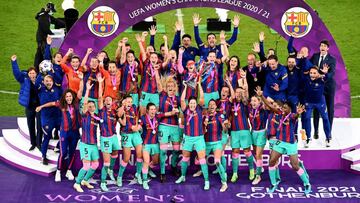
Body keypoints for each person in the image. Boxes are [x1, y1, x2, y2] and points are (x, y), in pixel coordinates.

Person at [255, 86, 311, 194]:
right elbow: (268, 105)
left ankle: (307, 183)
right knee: (271, 162)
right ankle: (273, 183)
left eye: (285, 108)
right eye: (283, 107)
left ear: (290, 108)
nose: (283, 109)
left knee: (294, 166)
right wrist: (261, 95)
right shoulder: (280, 113)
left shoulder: (292, 116)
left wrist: (299, 113)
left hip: (290, 144)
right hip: (279, 142)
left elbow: (296, 116)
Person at [38, 75, 83, 182]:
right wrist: (41, 106)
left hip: (75, 133)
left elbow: (81, 92)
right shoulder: (61, 105)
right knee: (63, 153)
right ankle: (58, 171)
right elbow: (51, 103)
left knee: (71, 153)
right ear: (64, 98)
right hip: (64, 133)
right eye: (67, 96)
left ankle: (69, 170)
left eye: (70, 96)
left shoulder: (76, 104)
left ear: (72, 97)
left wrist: (81, 80)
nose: (68, 98)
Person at [175, 78, 210, 190]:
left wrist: (199, 85)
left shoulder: (200, 109)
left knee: (202, 159)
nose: (192, 104)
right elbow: (181, 100)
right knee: (185, 158)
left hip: (199, 138)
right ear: (188, 104)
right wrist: (185, 87)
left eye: (194, 103)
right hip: (188, 138)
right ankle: (183, 176)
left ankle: (206, 181)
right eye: (191, 103)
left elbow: (202, 97)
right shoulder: (185, 111)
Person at [73, 81, 100, 193]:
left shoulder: (97, 117)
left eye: (92, 106)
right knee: (86, 165)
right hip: (85, 143)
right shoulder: (85, 115)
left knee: (95, 164)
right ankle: (77, 183)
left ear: (95, 107)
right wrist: (87, 90)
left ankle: (85, 180)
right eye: (89, 106)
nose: (90, 107)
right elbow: (84, 104)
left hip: (93, 144)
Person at [11, 55, 42, 151]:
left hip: (39, 107)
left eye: (34, 73)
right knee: (31, 125)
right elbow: (17, 74)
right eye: (30, 73)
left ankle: (39, 143)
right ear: (28, 74)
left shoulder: (40, 80)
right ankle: (33, 143)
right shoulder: (24, 81)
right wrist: (14, 62)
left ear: (36, 74)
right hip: (29, 107)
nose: (32, 75)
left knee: (39, 125)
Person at [97, 75, 121, 191]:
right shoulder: (102, 111)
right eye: (106, 100)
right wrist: (101, 83)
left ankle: (111, 170)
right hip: (105, 138)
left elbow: (121, 119)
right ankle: (103, 182)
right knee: (106, 162)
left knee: (115, 152)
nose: (107, 101)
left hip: (114, 137)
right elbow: (99, 98)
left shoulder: (114, 112)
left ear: (112, 103)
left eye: (109, 100)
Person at [156, 76, 182, 182]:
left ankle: (174, 166)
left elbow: (183, 111)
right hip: (164, 126)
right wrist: (169, 113)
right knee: (163, 151)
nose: (170, 87)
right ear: (165, 88)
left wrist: (180, 114)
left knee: (176, 150)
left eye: (172, 86)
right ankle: (162, 172)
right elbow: (158, 115)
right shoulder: (162, 96)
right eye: (168, 86)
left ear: (175, 88)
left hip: (175, 127)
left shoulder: (178, 99)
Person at [310, 40, 336, 140]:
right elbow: (309, 66)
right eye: (321, 45)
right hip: (317, 87)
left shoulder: (332, 59)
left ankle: (328, 133)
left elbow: (332, 73)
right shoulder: (315, 56)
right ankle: (315, 131)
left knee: (330, 109)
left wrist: (324, 75)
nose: (322, 47)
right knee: (316, 108)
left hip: (328, 86)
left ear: (328, 48)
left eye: (324, 46)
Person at [138, 103, 167, 189]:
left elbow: (167, 114)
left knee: (155, 161)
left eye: (154, 109)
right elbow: (139, 126)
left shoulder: (157, 117)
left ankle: (148, 169)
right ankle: (144, 180)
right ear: (147, 110)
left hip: (155, 144)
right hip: (146, 144)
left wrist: (174, 111)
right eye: (151, 109)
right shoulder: (143, 118)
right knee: (146, 161)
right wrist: (138, 128)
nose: (153, 111)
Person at [230, 86, 255, 183]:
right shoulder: (231, 104)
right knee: (235, 151)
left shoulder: (245, 104)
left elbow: (245, 99)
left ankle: (252, 170)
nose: (239, 94)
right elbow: (229, 115)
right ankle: (235, 173)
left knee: (247, 151)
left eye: (240, 92)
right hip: (234, 131)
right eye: (237, 92)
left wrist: (244, 91)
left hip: (244, 130)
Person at [117, 95, 143, 187]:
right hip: (126, 133)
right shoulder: (120, 109)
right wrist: (132, 127)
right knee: (126, 158)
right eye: (128, 101)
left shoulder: (134, 107)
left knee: (140, 155)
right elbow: (120, 119)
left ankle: (138, 174)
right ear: (124, 102)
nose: (130, 103)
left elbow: (138, 118)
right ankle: (119, 176)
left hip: (135, 133)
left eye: (131, 101)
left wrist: (139, 125)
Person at [35, 74, 61, 165]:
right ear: (43, 82)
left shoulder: (57, 89)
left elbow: (55, 103)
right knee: (47, 137)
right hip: (46, 119)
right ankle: (43, 156)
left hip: (58, 117)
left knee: (63, 135)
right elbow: (36, 84)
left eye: (50, 80)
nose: (48, 82)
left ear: (53, 82)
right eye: (46, 81)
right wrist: (41, 74)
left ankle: (58, 147)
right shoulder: (40, 89)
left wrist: (53, 73)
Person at [303, 66, 332, 147]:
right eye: (311, 73)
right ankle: (308, 138)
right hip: (309, 103)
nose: (312, 74)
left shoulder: (321, 79)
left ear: (318, 74)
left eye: (314, 73)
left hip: (320, 102)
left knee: (325, 118)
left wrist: (325, 73)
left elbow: (327, 77)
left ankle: (328, 138)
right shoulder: (306, 79)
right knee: (307, 118)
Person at [204, 99, 229, 192]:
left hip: (217, 142)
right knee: (200, 161)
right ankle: (206, 180)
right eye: (210, 104)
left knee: (217, 161)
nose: (211, 106)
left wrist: (225, 126)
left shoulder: (220, 116)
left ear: (216, 106)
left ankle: (224, 182)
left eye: (213, 104)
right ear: (208, 106)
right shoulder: (204, 117)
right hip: (206, 143)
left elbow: (225, 129)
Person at [34, 2, 64, 70]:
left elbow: (56, 21)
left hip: (42, 37)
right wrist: (54, 35)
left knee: (40, 53)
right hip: (42, 38)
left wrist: (65, 24)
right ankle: (46, 67)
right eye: (52, 11)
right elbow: (46, 29)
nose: (53, 13)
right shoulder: (43, 17)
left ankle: (37, 67)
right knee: (45, 54)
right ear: (49, 10)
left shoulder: (46, 16)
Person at [248, 95, 268, 185]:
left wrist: (261, 96)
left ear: (259, 102)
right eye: (252, 100)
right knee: (255, 153)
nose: (253, 102)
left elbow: (268, 103)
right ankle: (261, 167)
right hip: (253, 132)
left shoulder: (263, 109)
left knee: (259, 155)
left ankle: (258, 176)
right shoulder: (250, 109)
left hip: (261, 133)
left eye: (255, 101)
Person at [119, 37, 140, 107]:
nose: (130, 58)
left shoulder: (136, 66)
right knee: (123, 108)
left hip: (134, 92)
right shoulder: (124, 65)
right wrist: (124, 44)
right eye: (128, 57)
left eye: (132, 57)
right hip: (125, 91)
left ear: (134, 58)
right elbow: (123, 55)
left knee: (134, 109)